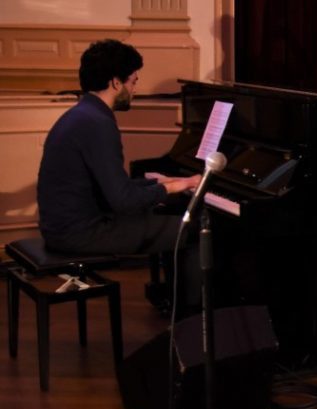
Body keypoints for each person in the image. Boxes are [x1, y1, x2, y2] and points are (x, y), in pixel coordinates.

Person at [37, 40, 202, 303]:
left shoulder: (82, 114)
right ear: (116, 83)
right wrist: (174, 186)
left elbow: (110, 187)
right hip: (81, 233)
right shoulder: (98, 124)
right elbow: (122, 200)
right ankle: (190, 318)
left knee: (171, 218)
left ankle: (175, 304)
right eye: (133, 82)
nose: (134, 89)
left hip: (63, 226)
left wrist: (161, 183)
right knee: (197, 230)